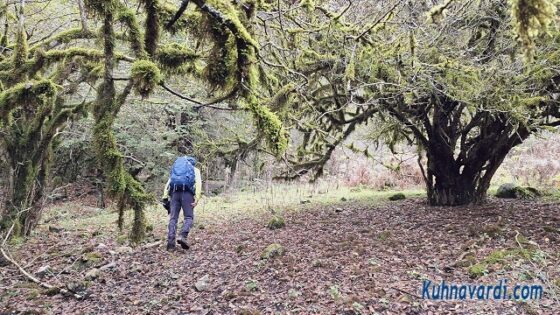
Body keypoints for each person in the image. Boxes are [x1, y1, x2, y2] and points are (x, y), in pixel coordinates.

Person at [162, 156, 202, 251]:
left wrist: (165, 197)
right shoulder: (194, 169)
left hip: (174, 194)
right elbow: (198, 183)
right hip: (187, 194)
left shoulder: (176, 170)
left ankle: (170, 245)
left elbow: (168, 183)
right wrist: (197, 198)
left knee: (173, 219)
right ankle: (182, 236)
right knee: (188, 217)